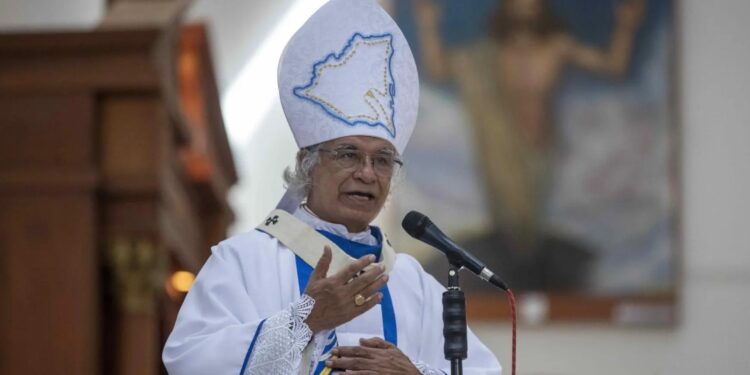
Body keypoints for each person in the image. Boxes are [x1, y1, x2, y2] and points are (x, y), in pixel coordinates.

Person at [162, 0, 502, 374]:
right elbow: (189, 362)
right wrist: (305, 320)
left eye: (382, 160)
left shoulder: (414, 285)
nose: (367, 173)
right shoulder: (244, 261)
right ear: (309, 165)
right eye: (348, 154)